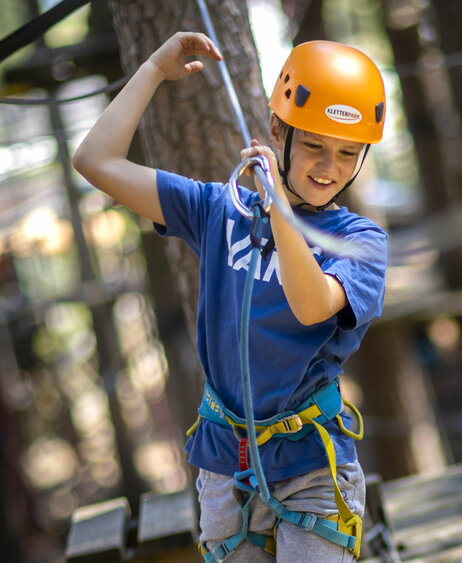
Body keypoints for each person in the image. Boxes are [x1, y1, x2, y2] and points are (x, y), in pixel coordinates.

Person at [73, 31, 389, 562]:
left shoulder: (360, 241)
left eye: (347, 152)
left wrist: (280, 215)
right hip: (226, 463)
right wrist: (152, 68)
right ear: (276, 131)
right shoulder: (221, 211)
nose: (328, 165)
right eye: (313, 143)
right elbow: (96, 162)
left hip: (309, 465)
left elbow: (311, 305)